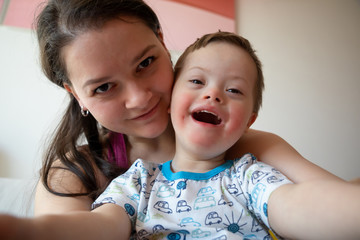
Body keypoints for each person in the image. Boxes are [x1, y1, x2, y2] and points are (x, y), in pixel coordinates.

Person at [1, 31, 359, 240]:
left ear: (248, 121)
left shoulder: (249, 174)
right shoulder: (138, 182)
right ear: (173, 101)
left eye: (233, 90)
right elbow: (98, 227)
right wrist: (27, 231)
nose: (214, 95)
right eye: (197, 81)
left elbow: (303, 206)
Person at [34, 0, 343, 217]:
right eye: (103, 87)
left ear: (162, 42)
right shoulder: (72, 174)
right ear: (76, 95)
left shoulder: (249, 147)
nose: (140, 98)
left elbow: (338, 201)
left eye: (145, 63)